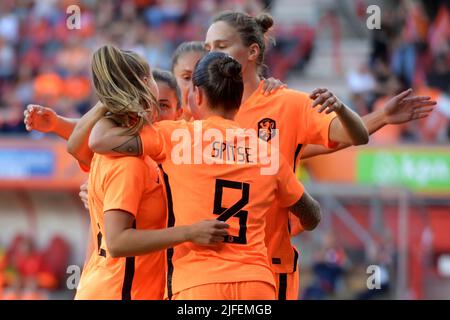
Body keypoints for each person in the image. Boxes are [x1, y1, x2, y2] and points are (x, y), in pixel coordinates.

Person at [201, 11, 436, 300]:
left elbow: (341, 136)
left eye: (221, 46)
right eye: (208, 48)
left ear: (252, 51)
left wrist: (382, 116)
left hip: (268, 267)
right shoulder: (197, 108)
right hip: (207, 270)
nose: (211, 55)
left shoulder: (286, 103)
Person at [87, 50, 321, 300]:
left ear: (196, 95)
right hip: (257, 284)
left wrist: (116, 96)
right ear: (240, 99)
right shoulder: (267, 152)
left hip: (198, 285)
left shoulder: (176, 137)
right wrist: (291, 225)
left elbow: (99, 139)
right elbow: (313, 215)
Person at [26, 48, 229, 300]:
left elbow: (80, 144)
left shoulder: (164, 149)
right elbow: (118, 241)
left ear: (179, 113)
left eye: (165, 106)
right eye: (156, 101)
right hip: (118, 290)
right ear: (145, 86)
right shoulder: (128, 159)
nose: (157, 111)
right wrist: (190, 232)